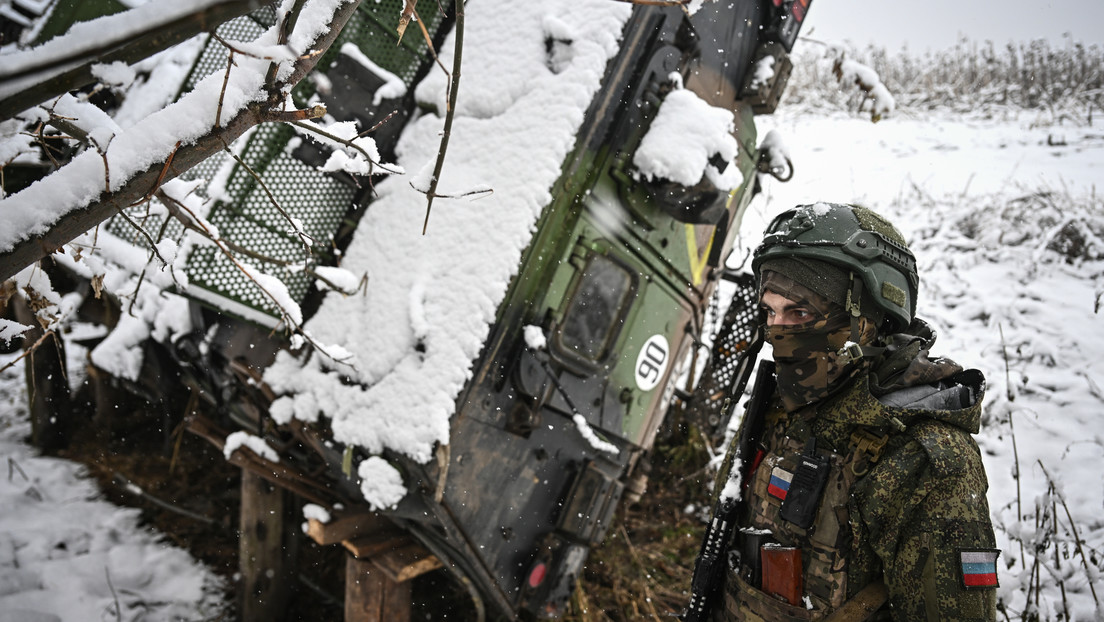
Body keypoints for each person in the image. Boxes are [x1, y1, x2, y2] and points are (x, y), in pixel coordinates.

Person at [689, 203, 998, 621]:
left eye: (800, 312)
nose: (779, 332)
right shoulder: (781, 406)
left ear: (870, 318)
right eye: (769, 312)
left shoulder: (925, 459)